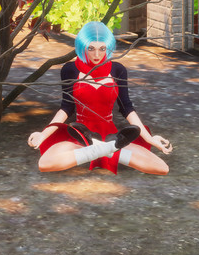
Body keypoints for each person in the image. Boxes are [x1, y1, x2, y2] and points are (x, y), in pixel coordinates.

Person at [27, 20, 171, 174]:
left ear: (108, 47)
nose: (97, 54)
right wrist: (44, 134)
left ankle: (104, 147)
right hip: (80, 133)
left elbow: (127, 108)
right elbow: (66, 107)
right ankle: (103, 150)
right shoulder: (70, 70)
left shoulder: (117, 70)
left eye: (102, 49)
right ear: (83, 47)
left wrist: (149, 138)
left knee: (161, 168)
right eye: (91, 48)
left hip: (111, 135)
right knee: (45, 163)